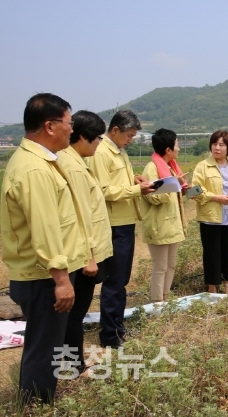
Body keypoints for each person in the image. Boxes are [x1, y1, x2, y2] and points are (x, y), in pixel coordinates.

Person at [1, 93, 91, 404]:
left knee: (46, 344)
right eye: (69, 123)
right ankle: (36, 405)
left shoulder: (41, 161)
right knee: (44, 348)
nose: (72, 129)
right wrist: (62, 280)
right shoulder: (35, 169)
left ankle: (40, 399)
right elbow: (45, 229)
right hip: (43, 277)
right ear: (50, 126)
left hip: (46, 274)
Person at [86, 110, 154, 348]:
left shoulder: (119, 151)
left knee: (121, 279)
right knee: (114, 281)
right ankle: (110, 335)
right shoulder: (101, 153)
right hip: (113, 224)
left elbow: (117, 183)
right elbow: (103, 191)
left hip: (125, 221)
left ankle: (117, 327)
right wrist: (137, 190)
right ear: (115, 130)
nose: (130, 140)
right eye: (129, 135)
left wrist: (134, 180)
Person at [57, 110, 114, 375]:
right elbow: (82, 215)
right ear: (83, 137)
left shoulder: (75, 161)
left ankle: (73, 363)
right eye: (98, 138)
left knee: (74, 314)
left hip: (83, 251)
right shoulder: (72, 167)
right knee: (75, 314)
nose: (99, 144)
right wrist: (90, 257)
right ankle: (74, 366)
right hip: (82, 255)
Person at [191, 130, 228, 294]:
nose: (217, 148)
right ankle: (212, 288)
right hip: (210, 218)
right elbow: (194, 191)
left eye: (221, 145)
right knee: (212, 253)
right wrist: (216, 197)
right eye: (214, 144)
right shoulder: (202, 166)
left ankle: (226, 285)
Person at [140, 128, 188, 302]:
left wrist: (180, 186)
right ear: (168, 149)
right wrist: (173, 184)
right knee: (160, 266)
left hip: (172, 225)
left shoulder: (170, 167)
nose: (179, 148)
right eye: (177, 145)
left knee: (171, 264)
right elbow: (153, 197)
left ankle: (165, 297)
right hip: (159, 225)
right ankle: (157, 302)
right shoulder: (151, 169)